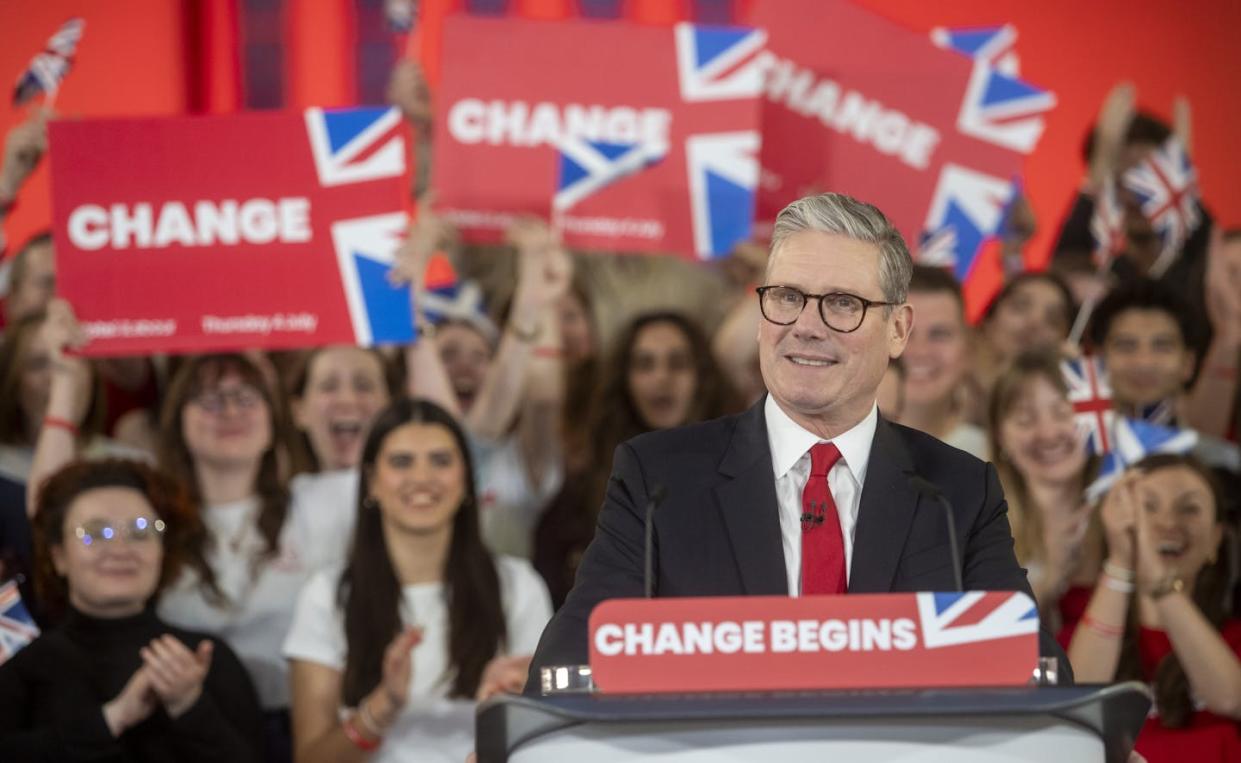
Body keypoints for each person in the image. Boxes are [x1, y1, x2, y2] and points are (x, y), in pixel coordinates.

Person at [529, 192, 1069, 679]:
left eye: (842, 304)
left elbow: (1033, 673)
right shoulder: (660, 480)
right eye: (787, 297)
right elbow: (569, 668)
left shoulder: (958, 492)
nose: (806, 326)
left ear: (899, 330)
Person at [29, 342, 356, 762]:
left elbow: (438, 461)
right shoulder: (148, 512)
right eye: (209, 399)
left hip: (302, 726)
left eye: (246, 397)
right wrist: (68, 382)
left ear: (275, 419)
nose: (230, 412)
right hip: (179, 727)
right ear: (178, 418)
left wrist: (420, 335)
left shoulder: (320, 501)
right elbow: (50, 503)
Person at [284, 398, 551, 762]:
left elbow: (548, 739)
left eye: (441, 461)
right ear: (372, 483)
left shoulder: (518, 586)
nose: (422, 478)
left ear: (466, 481)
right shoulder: (327, 595)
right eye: (401, 462)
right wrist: (383, 707)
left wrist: (513, 701)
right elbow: (311, 758)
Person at [0, 458, 264, 761]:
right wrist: (113, 719)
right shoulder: (22, 667)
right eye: (96, 533)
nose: (120, 549)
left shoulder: (204, 659)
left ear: (162, 550)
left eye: (141, 531)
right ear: (58, 555)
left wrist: (190, 706)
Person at [533, 311, 742, 607]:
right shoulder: (585, 491)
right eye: (645, 364)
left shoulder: (744, 473)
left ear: (702, 378)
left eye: (678, 363)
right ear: (625, 382)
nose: (661, 378)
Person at [1068, 454, 1241, 761]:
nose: (1168, 523)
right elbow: (1073, 699)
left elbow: (1230, 698)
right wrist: (1121, 562)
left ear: (1216, 538)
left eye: (1189, 509)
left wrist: (1159, 583)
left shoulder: (1233, 639)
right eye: (1147, 507)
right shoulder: (1080, 631)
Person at [988, 351, 1101, 640]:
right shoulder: (978, 530)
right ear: (1000, 436)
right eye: (1025, 420)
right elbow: (986, 643)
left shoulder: (1125, 517)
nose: (1048, 433)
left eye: (1063, 413)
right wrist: (1053, 575)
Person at [898, 266, 987, 459]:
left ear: (969, 349)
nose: (920, 351)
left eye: (939, 335)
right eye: (905, 333)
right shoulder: (827, 448)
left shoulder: (997, 460)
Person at [289, 345, 396, 473]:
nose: (347, 400)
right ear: (298, 411)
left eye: (364, 386)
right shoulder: (288, 492)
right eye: (329, 386)